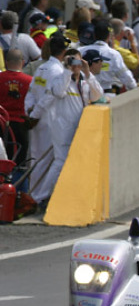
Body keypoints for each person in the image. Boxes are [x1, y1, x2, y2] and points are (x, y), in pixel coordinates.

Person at [34, 48, 102, 207]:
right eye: (73, 62)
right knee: (60, 161)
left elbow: (97, 95)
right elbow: (58, 92)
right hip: (62, 127)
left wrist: (87, 72)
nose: (76, 65)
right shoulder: (61, 78)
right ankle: (41, 196)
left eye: (78, 61)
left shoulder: (85, 80)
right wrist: (67, 71)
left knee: (74, 161)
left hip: (80, 127)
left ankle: (60, 194)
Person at [25, 33, 68, 205]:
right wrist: (34, 114)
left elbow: (31, 93)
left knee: (37, 158)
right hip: (49, 119)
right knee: (46, 160)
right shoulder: (57, 71)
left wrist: (29, 112)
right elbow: (50, 96)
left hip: (37, 119)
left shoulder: (42, 68)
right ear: (63, 52)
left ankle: (34, 194)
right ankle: (38, 197)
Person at [78, 19, 137, 95]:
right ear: (109, 36)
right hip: (106, 95)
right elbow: (126, 77)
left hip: (85, 95)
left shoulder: (80, 51)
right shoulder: (114, 54)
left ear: (94, 35)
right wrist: (135, 88)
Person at [0, 49, 32, 169]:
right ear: (22, 62)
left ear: (7, 62)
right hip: (21, 125)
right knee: (19, 161)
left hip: (1, 123)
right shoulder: (30, 81)